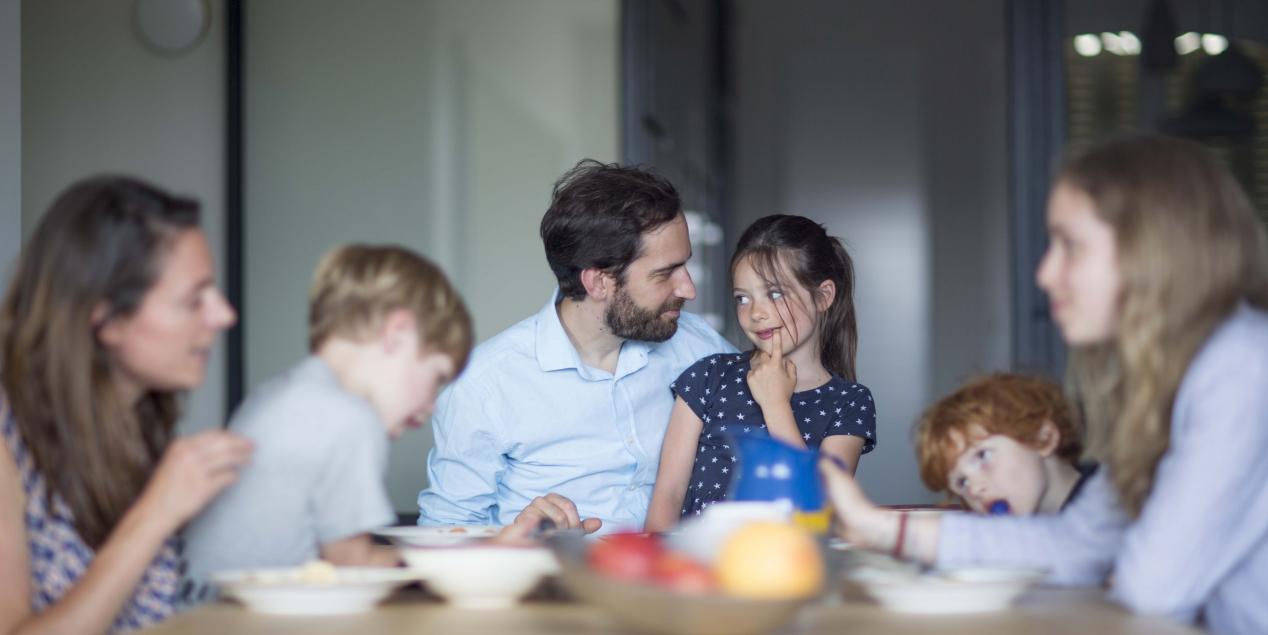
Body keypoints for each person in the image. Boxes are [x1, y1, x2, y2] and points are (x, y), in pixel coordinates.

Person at [820, 134, 1268, 635]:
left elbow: (1153, 586)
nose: (1046, 273)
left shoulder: (1241, 366)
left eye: (1070, 246)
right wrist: (876, 525)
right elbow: (1074, 545)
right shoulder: (1174, 383)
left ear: (1153, 249)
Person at [418, 159, 734, 532]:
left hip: (682, 582)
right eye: (665, 274)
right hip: (550, 586)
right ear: (598, 283)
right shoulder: (485, 385)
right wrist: (515, 538)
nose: (688, 289)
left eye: (685, 267)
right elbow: (443, 535)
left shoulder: (700, 348)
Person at [0, 177, 250, 634]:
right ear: (107, 319)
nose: (224, 315)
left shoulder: (140, 423)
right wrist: (156, 513)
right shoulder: (6, 444)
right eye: (195, 299)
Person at [184, 245, 472, 587]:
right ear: (397, 334)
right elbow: (354, 563)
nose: (432, 404)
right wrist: (476, 559)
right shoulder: (348, 417)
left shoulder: (280, 394)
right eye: (437, 376)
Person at [646, 215, 876, 530]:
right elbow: (668, 495)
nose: (756, 313)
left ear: (823, 296)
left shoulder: (850, 402)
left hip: (787, 570)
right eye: (743, 298)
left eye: (775, 294)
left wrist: (775, 404)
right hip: (698, 570)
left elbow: (817, 508)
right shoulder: (709, 376)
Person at [914, 373, 1095, 515]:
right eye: (963, 482)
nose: (975, 489)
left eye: (983, 456)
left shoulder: (1111, 511)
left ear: (1043, 438)